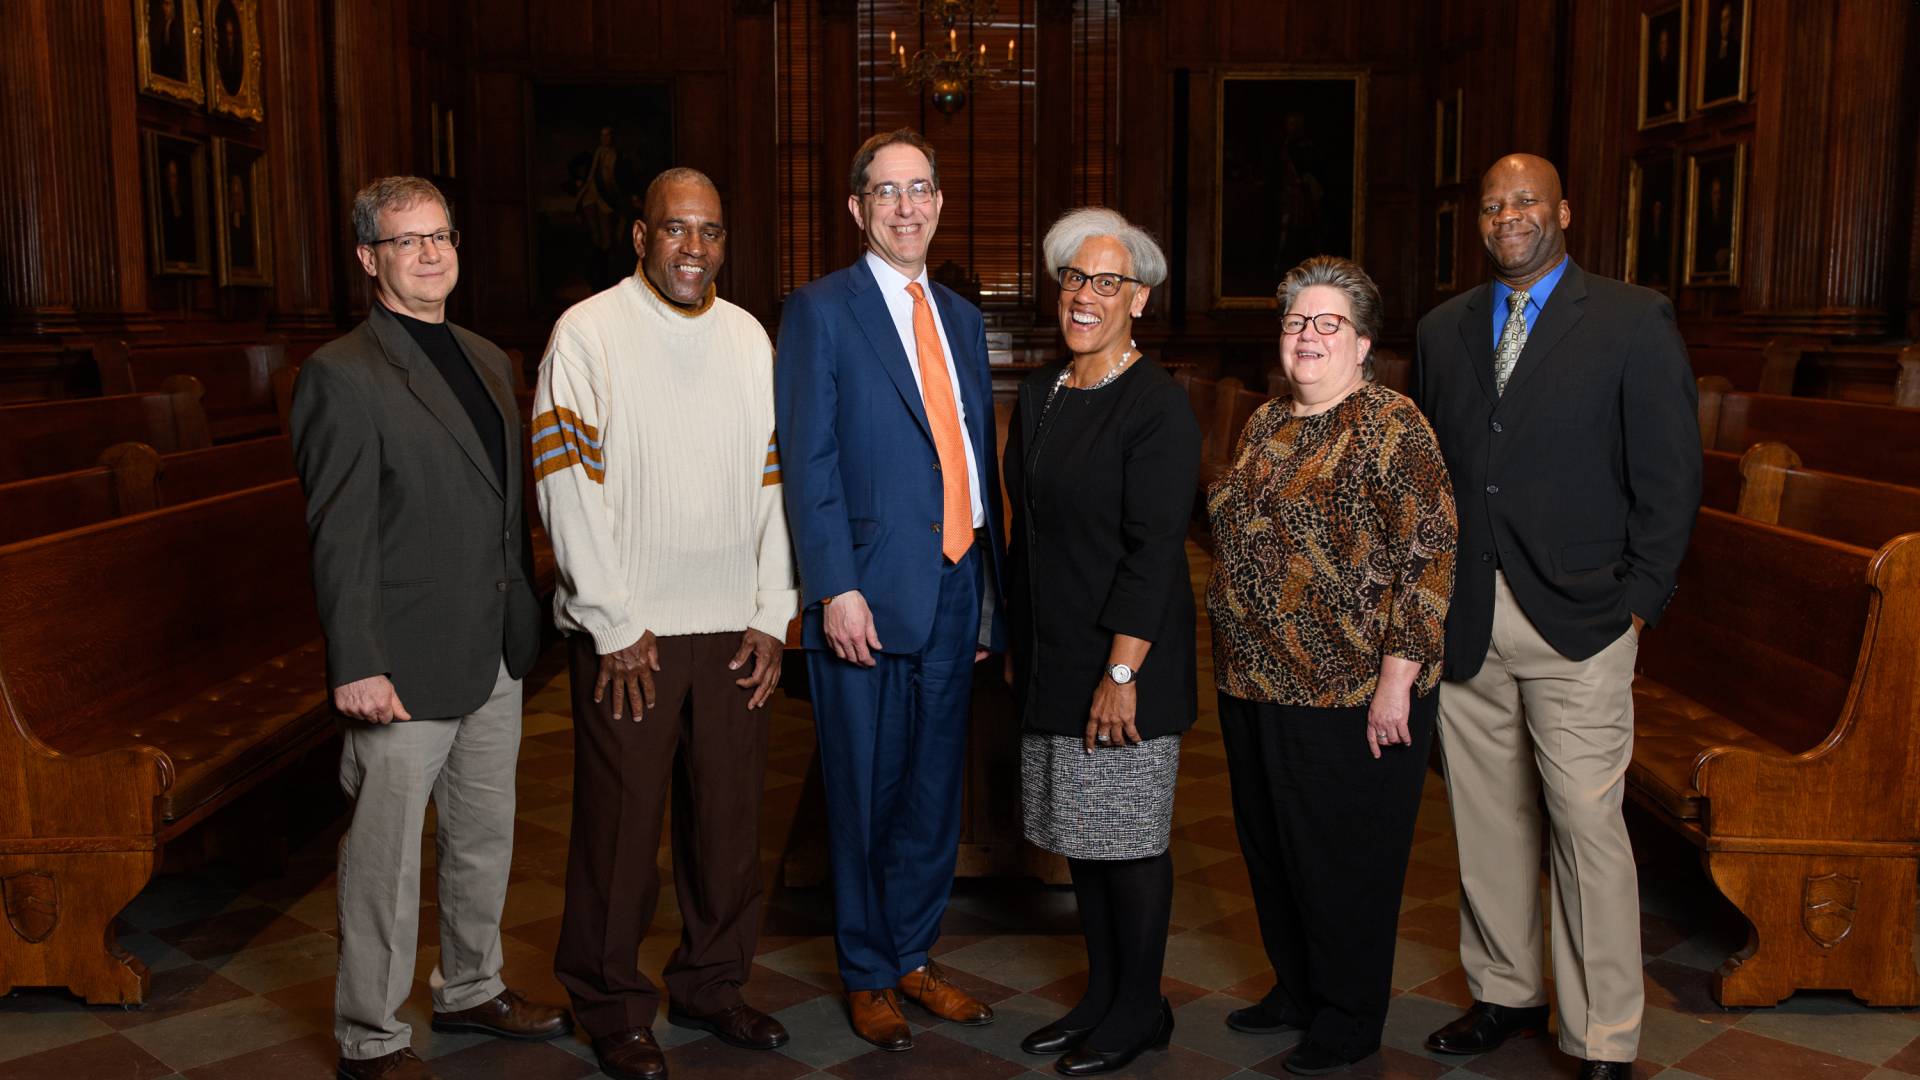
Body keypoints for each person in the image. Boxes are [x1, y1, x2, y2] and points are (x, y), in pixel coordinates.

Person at [1412, 154, 1700, 1080]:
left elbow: (1668, 475)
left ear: (1564, 209)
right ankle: (1504, 991)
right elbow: (1437, 473)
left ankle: (1604, 1035)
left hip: (1581, 618)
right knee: (1488, 820)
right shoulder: (1442, 328)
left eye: (1525, 200)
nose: (1508, 216)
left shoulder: (1629, 318)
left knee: (1586, 825)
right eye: (1492, 204)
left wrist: (1639, 606)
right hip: (1467, 619)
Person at [289, 176, 571, 1080]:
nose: (432, 253)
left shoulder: (489, 357)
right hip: (401, 661)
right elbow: (340, 537)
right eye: (408, 241)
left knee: (485, 838)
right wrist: (357, 662)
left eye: (442, 235)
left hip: (492, 647)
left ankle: (472, 988)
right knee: (384, 860)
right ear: (370, 258)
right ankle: (369, 1034)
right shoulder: (343, 373)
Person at [539, 167, 798, 1080]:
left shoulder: (748, 339)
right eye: (676, 229)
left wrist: (773, 614)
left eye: (712, 232)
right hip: (632, 635)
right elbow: (565, 484)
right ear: (640, 237)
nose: (696, 248)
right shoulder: (588, 332)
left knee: (728, 827)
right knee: (620, 831)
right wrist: (611, 620)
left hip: (733, 628)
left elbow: (777, 488)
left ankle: (713, 985)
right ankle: (610, 1002)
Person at [775, 128, 1006, 1052]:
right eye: (886, 192)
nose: (906, 207)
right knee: (864, 794)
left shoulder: (961, 317)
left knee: (930, 793)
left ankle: (914, 954)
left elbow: (974, 457)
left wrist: (986, 594)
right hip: (865, 595)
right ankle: (867, 971)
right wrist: (834, 585)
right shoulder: (819, 311)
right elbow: (810, 458)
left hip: (956, 585)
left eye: (920, 190)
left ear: (940, 203)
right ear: (857, 208)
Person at [1208, 256, 1458, 1076]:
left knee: (1342, 860)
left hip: (1350, 688)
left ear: (1363, 342)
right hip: (1253, 680)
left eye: (1327, 324)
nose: (1308, 337)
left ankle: (1348, 1013)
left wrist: (1398, 680)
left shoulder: (1395, 425)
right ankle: (1299, 988)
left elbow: (1429, 557)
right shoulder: (1267, 422)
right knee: (1274, 848)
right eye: (1295, 323)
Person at [1004, 208, 1199, 1076]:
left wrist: (1121, 672)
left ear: (1140, 300)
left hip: (1127, 663)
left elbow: (1154, 554)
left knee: (1129, 842)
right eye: (1074, 279)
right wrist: (1020, 640)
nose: (1085, 296)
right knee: (1083, 835)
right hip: (1056, 655)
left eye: (1106, 282)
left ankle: (1141, 1007)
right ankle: (1101, 994)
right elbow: (1029, 536)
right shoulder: (1044, 395)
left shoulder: (1157, 405)